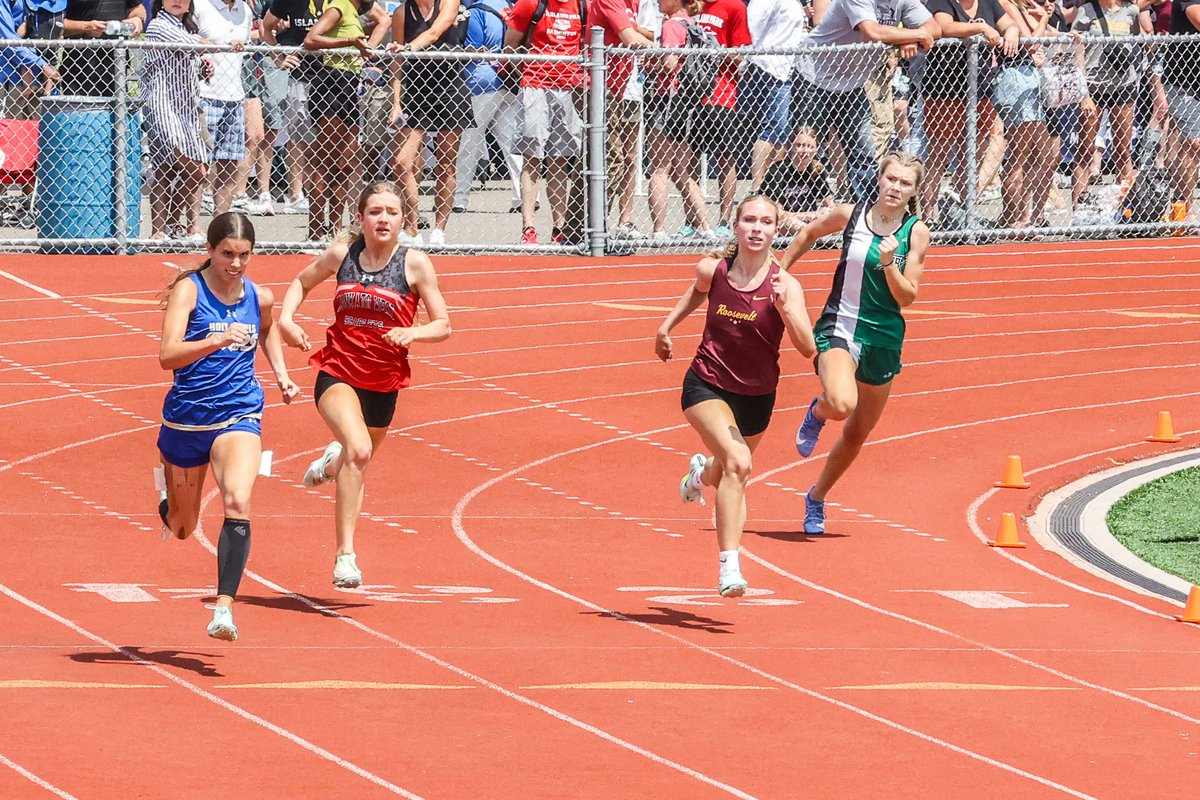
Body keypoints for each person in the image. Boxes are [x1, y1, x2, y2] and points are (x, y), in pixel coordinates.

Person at [277, 181, 451, 587]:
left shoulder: (414, 264)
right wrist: (286, 319)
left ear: (403, 219)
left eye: (392, 212)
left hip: (384, 382)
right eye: (375, 212)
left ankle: (329, 464)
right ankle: (345, 557)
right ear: (360, 217)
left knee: (357, 458)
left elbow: (443, 324)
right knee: (358, 450)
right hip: (337, 371)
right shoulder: (343, 254)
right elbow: (302, 282)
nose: (383, 219)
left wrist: (414, 333)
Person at [655, 195, 817, 597]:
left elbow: (808, 347)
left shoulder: (785, 284)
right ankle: (730, 568)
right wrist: (666, 327)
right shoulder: (714, 270)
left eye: (765, 222)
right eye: (749, 220)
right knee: (740, 462)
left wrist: (786, 310)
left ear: (776, 231)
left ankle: (698, 476)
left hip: (757, 396)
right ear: (736, 225)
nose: (757, 229)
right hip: (706, 384)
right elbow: (698, 290)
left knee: (729, 468)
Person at [156, 212, 300, 640]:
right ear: (210, 250)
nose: (235, 264)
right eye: (227, 254)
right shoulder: (190, 290)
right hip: (186, 419)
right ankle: (168, 503)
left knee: (237, 498)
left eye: (244, 255)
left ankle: (224, 609)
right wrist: (215, 340)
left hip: (239, 412)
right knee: (183, 527)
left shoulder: (259, 296)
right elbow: (167, 355)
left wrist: (281, 374)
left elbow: (268, 330)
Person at [781, 152, 930, 535]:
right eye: (891, 179)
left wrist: (889, 264)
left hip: (883, 338)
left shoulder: (915, 232)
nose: (895, 187)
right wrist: (778, 271)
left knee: (857, 432)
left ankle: (816, 497)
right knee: (841, 403)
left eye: (905, 183)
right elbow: (809, 233)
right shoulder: (850, 215)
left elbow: (907, 297)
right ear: (879, 179)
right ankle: (818, 412)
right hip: (840, 327)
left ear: (914, 190)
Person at [792, 0, 939, 204]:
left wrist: (909, 40)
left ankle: (866, 211)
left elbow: (934, 28)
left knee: (864, 153)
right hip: (814, 78)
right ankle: (797, 211)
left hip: (852, 84)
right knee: (804, 149)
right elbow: (872, 31)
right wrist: (916, 35)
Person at [917, 0, 1014, 221]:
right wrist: (981, 27)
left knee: (973, 153)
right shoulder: (941, 2)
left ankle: (966, 212)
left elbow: (1008, 23)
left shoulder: (988, 3)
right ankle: (928, 217)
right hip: (945, 89)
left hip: (981, 87)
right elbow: (944, 27)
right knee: (939, 152)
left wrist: (1011, 32)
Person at [303, 0, 390, 240]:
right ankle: (315, 231)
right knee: (326, 162)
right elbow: (311, 39)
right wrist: (349, 42)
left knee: (344, 165)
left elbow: (384, 20)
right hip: (330, 84)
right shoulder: (339, 5)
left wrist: (364, 47)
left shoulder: (354, 12)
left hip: (349, 84)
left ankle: (335, 230)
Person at [390, 0, 473, 246]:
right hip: (417, 90)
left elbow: (436, 32)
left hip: (450, 88)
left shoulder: (449, 2)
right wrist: (396, 101)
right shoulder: (402, 12)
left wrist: (408, 48)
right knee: (402, 162)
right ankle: (412, 227)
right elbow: (397, 61)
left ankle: (439, 230)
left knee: (446, 163)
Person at [505, 0, 586, 245]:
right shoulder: (531, 3)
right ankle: (528, 227)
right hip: (535, 84)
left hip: (568, 87)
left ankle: (559, 227)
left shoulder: (582, 5)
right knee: (532, 157)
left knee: (559, 159)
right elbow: (509, 46)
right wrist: (527, 75)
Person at [643, 0, 714, 239]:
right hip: (689, 102)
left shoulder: (673, 25)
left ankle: (658, 230)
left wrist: (651, 62)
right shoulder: (693, 24)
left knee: (659, 169)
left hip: (669, 100)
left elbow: (670, 63)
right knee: (682, 171)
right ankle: (705, 227)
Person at [143, 0, 210, 240]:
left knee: (170, 170)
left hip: (186, 109)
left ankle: (169, 227)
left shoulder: (186, 27)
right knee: (194, 168)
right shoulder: (158, 25)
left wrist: (203, 70)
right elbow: (193, 45)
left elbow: (191, 59)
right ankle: (163, 229)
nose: (177, 1)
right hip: (162, 106)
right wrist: (225, 44)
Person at [452, 0, 523, 215]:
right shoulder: (508, 6)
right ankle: (524, 196)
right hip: (509, 79)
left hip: (482, 80)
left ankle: (460, 198)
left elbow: (473, 49)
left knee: (470, 140)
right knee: (511, 143)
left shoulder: (476, 11)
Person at [194, 0, 252, 216]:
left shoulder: (245, 10)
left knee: (229, 164)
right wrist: (206, 44)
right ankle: (192, 226)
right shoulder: (199, 5)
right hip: (203, 94)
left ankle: (220, 222)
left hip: (234, 96)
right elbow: (184, 37)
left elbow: (247, 43)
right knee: (198, 166)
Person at [1161, 0, 1200, 215]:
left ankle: (1182, 205)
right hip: (1183, 82)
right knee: (1194, 144)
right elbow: (1197, 18)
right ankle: (1185, 209)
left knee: (1188, 147)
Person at [60, 0, 145, 97]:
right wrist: (86, 27)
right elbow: (55, 24)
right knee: (80, 106)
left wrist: (138, 19)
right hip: (79, 68)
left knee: (117, 105)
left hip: (116, 66)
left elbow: (137, 8)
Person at [759, 126, 836, 234]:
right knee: (791, 222)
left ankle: (811, 234)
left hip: (808, 221)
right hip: (784, 222)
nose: (805, 151)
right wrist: (810, 215)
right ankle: (810, 234)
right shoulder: (778, 171)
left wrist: (826, 213)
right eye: (799, 145)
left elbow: (831, 205)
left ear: (816, 150)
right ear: (791, 147)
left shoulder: (816, 169)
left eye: (810, 147)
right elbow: (777, 213)